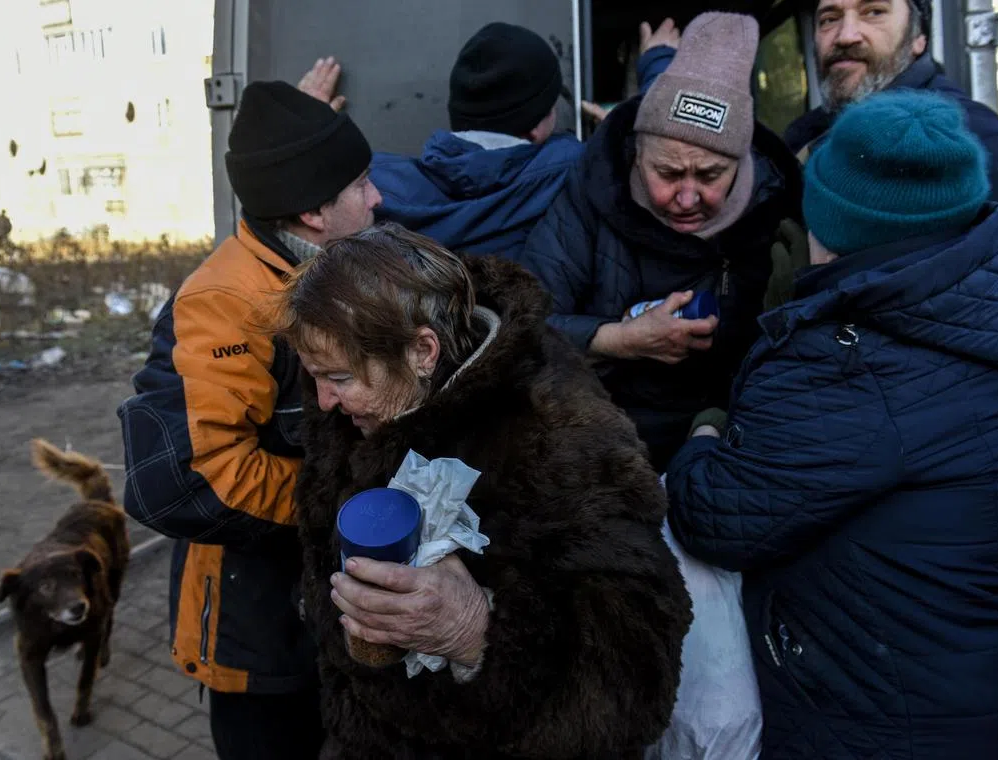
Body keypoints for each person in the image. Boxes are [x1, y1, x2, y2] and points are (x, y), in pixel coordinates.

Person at [666, 90, 998, 759]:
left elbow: (716, 514)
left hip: (885, 724)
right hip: (992, 695)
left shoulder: (843, 362)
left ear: (830, 223)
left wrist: (705, 434)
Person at [273, 223, 692, 758]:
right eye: (316, 376)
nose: (323, 401)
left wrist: (474, 632)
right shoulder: (358, 402)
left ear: (423, 350)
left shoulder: (556, 436)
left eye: (338, 379)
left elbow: (636, 676)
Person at [117, 81, 380, 760]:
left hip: (327, 610)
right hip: (259, 633)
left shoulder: (330, 267)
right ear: (312, 212)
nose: (377, 198)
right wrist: (342, 500)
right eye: (360, 185)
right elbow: (192, 477)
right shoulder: (225, 302)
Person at [515, 12, 803, 473]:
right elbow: (521, 325)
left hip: (730, 442)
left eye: (711, 175)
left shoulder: (779, 213)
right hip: (601, 438)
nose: (687, 198)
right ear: (637, 153)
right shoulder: (592, 193)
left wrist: (714, 431)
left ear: (742, 163)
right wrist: (618, 340)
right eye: (667, 173)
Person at [298, 20, 679, 258]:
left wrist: (305, 131)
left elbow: (303, 193)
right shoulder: (574, 169)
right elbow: (662, 151)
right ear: (536, 127)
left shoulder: (375, 184)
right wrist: (658, 66)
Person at [785, 0, 998, 236]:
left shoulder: (976, 146)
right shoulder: (806, 137)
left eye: (874, 12)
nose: (845, 36)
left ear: (919, 38)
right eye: (829, 19)